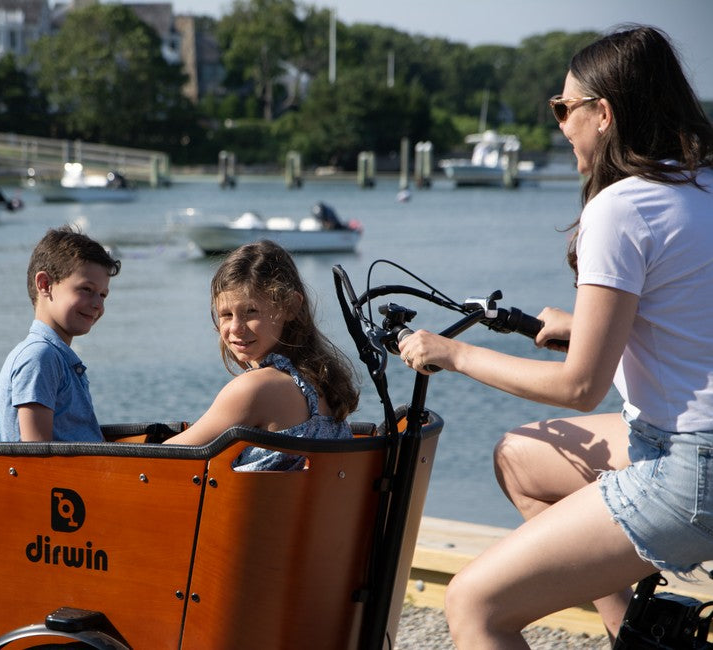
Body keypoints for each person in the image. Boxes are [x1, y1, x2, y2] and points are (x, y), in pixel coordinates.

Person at [398, 26, 713, 648]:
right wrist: (585, 327)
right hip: (691, 440)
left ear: (605, 114)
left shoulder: (622, 207)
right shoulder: (700, 184)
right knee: (521, 459)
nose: (560, 124)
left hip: (690, 464)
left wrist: (454, 353)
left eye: (564, 109)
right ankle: (636, 638)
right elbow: (687, 315)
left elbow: (578, 388)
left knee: (474, 604)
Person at [163, 240, 359, 470]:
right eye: (226, 314)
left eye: (251, 312)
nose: (235, 328)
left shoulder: (255, 388)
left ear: (291, 307)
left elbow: (160, 460)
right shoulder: (324, 386)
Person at [0, 226, 120, 442]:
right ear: (45, 284)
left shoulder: (56, 357)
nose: (97, 304)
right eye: (86, 289)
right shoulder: (40, 357)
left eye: (103, 295)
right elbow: (37, 457)